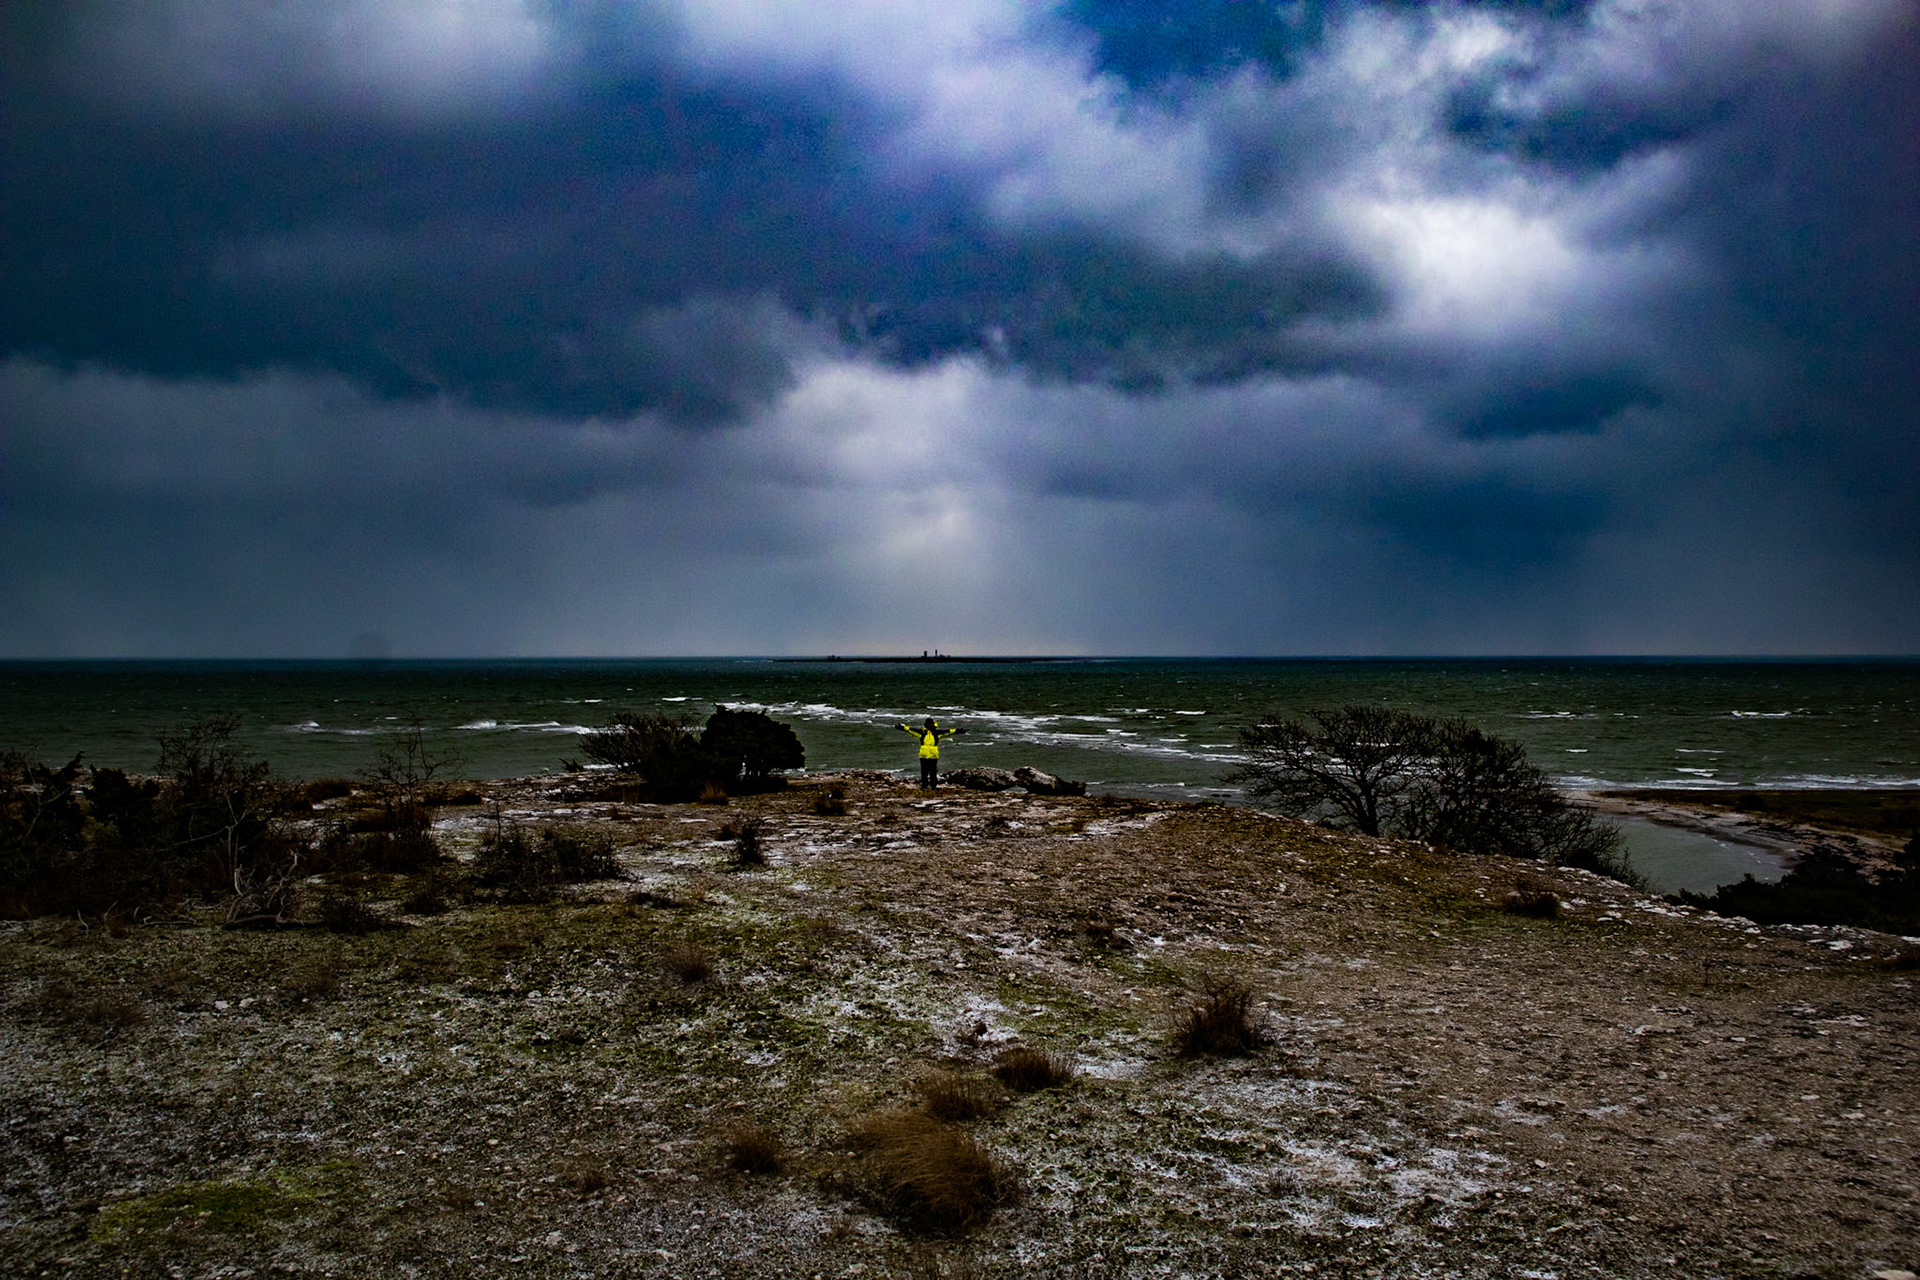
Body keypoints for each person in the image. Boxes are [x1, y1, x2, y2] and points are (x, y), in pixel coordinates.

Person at [898, 716, 963, 789]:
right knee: (924, 772)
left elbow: (948, 731)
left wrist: (957, 731)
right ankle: (924, 786)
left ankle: (933, 786)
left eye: (931, 723)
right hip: (924, 755)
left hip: (933, 755)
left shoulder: (937, 733)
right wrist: (903, 728)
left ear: (933, 724)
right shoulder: (921, 733)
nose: (930, 725)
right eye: (928, 724)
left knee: (933, 772)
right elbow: (911, 730)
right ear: (926, 724)